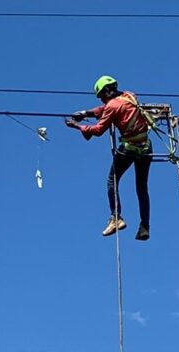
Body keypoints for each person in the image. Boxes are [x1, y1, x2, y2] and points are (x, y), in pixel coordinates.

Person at [66, 75, 153, 241]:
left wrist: (78, 126)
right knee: (141, 187)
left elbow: (99, 129)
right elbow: (107, 108)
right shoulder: (129, 95)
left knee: (112, 180)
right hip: (146, 146)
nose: (102, 99)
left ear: (107, 91)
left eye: (102, 96)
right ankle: (144, 226)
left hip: (129, 148)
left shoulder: (112, 106)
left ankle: (116, 218)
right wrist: (87, 113)